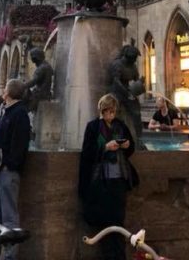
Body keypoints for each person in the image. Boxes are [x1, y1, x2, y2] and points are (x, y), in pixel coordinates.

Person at [78, 93, 139, 260]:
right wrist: (105, 147)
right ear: (101, 111)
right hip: (101, 181)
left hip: (119, 178)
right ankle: (108, 255)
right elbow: (87, 152)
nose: (110, 114)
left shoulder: (121, 125)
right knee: (106, 221)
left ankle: (119, 256)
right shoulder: (93, 127)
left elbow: (131, 148)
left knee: (119, 220)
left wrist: (127, 145)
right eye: (107, 111)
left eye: (113, 111)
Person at [0, 79, 31, 260]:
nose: (2, 91)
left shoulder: (19, 114)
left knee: (9, 218)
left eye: (4, 89)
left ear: (9, 93)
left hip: (5, 173)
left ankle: (9, 257)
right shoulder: (6, 111)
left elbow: (20, 145)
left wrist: (8, 165)